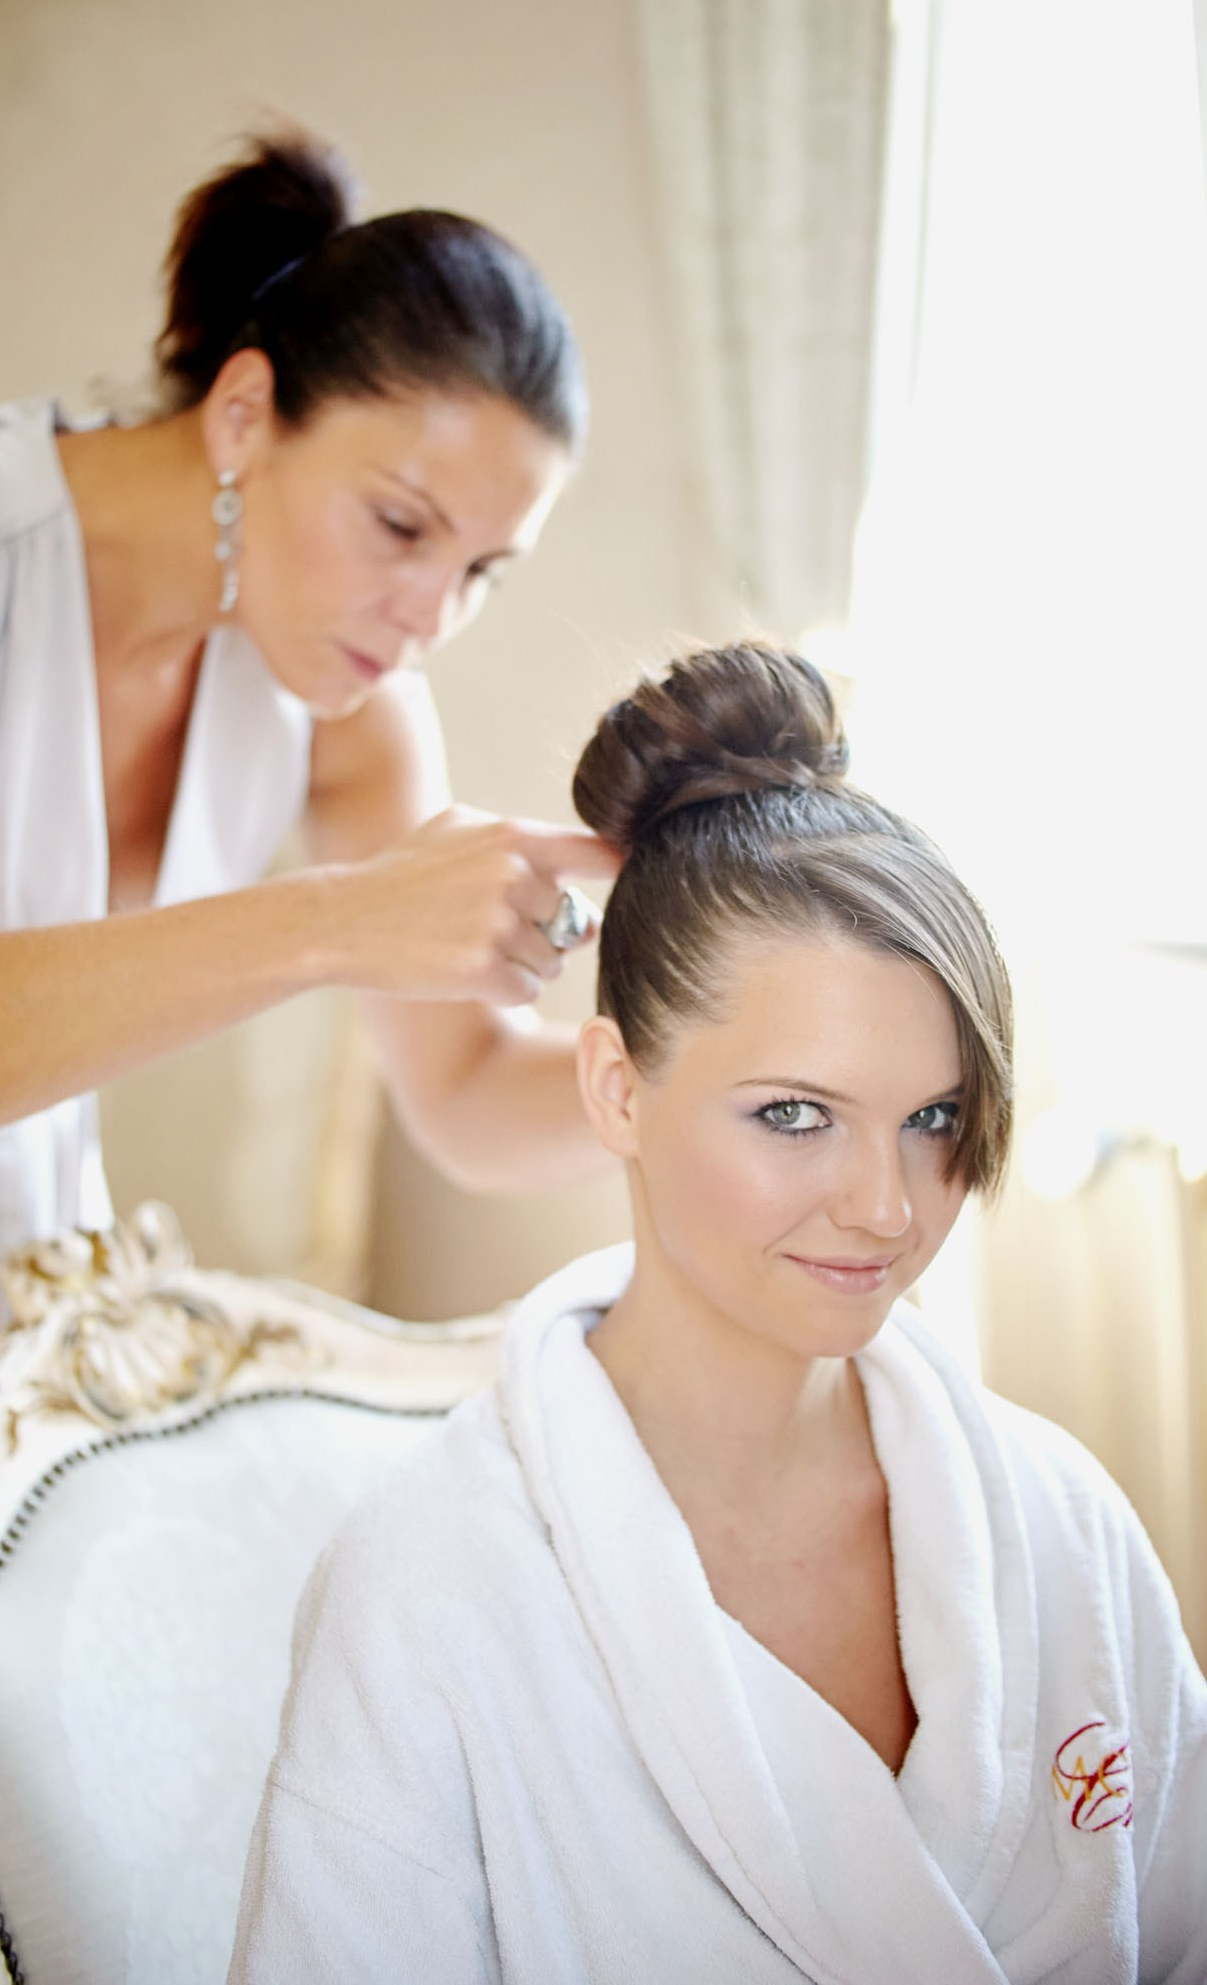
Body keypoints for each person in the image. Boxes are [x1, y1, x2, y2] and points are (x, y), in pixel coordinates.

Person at [229, 643, 1207, 1983]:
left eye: (930, 1119)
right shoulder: (428, 1594)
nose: (885, 1205)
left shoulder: (1057, 1518)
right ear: (616, 1092)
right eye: (793, 1116)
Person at [0, 130, 619, 1493]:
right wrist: (334, 924)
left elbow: (460, 1093)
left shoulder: (343, 696)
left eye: (481, 574)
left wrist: (708, 1068)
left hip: (9, 1400)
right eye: (399, 527)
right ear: (240, 414)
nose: (428, 619)